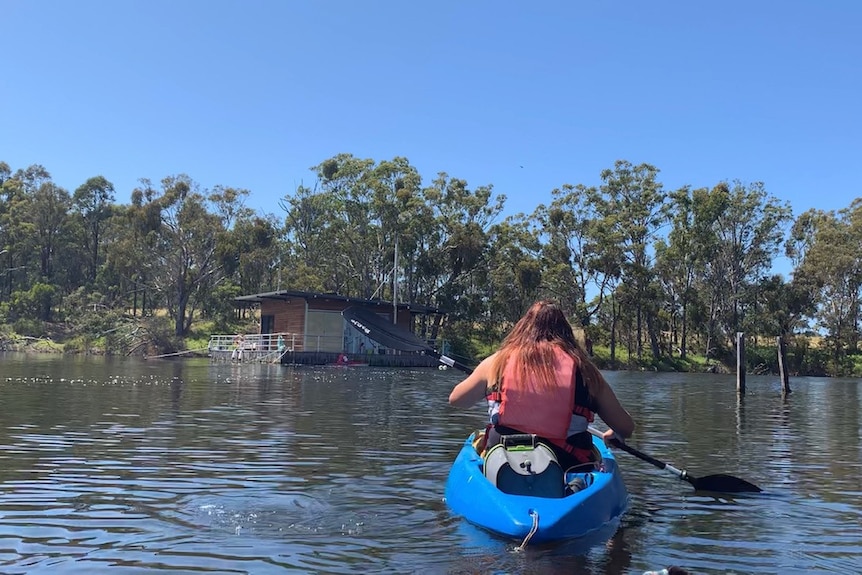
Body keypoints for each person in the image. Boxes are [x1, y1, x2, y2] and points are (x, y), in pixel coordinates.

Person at [448, 300, 635, 470]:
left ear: (523, 328)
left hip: (503, 463)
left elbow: (457, 400)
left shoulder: (497, 362)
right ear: (566, 332)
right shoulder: (586, 371)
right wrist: (615, 433)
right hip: (567, 464)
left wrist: (484, 380)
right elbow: (626, 427)